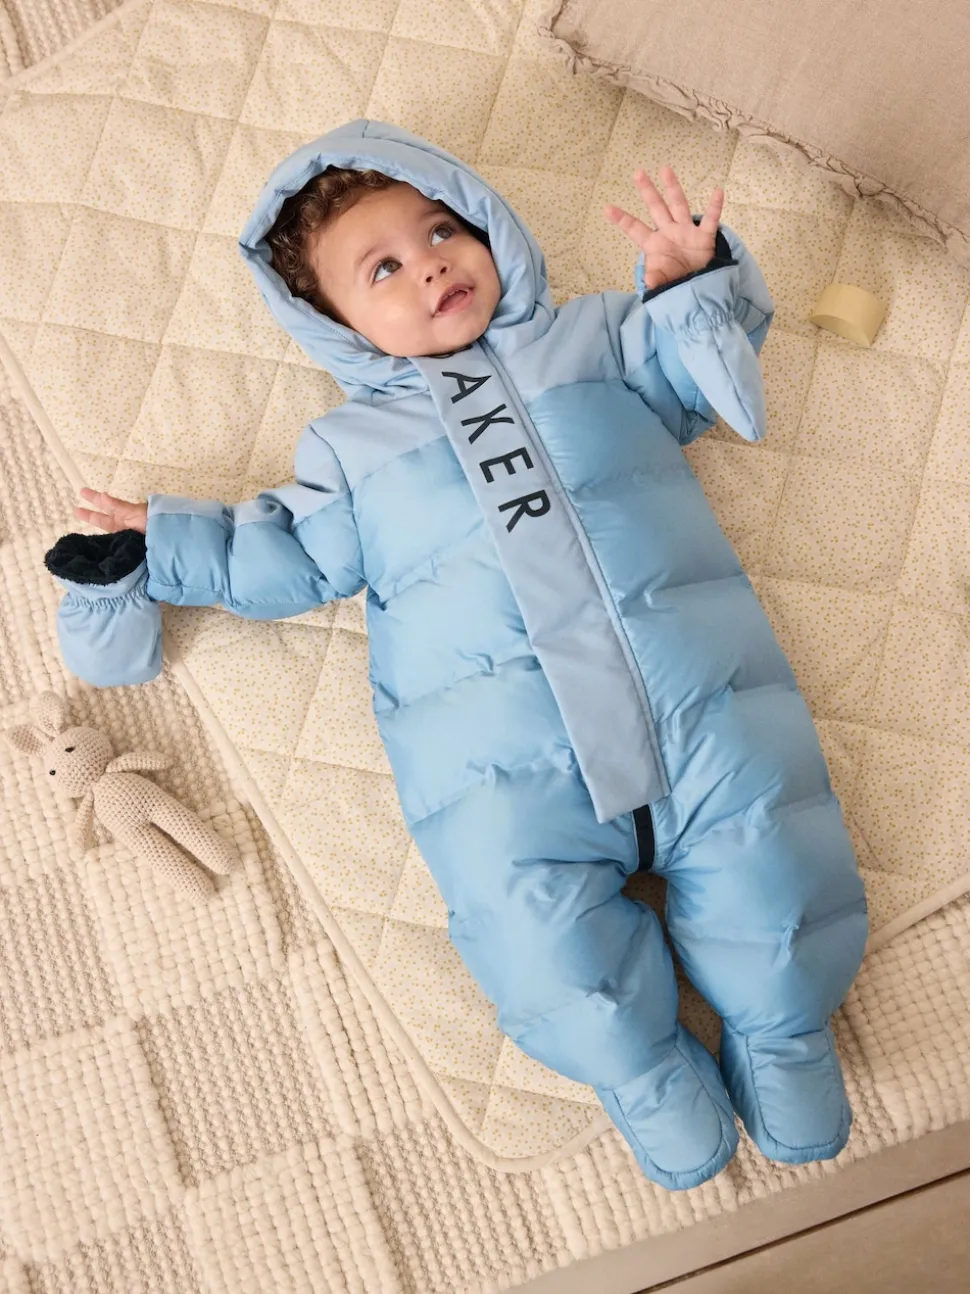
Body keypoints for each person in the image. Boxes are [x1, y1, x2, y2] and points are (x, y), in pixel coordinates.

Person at [55, 118, 868, 1192]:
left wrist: (689, 286)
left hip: (702, 712)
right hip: (502, 775)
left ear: (492, 231)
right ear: (338, 327)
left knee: (777, 874)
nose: (429, 264)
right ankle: (641, 1076)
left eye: (442, 230)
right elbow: (284, 552)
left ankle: (787, 1036)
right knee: (541, 949)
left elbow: (701, 379)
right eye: (382, 269)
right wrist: (159, 541)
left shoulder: (596, 342)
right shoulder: (350, 451)